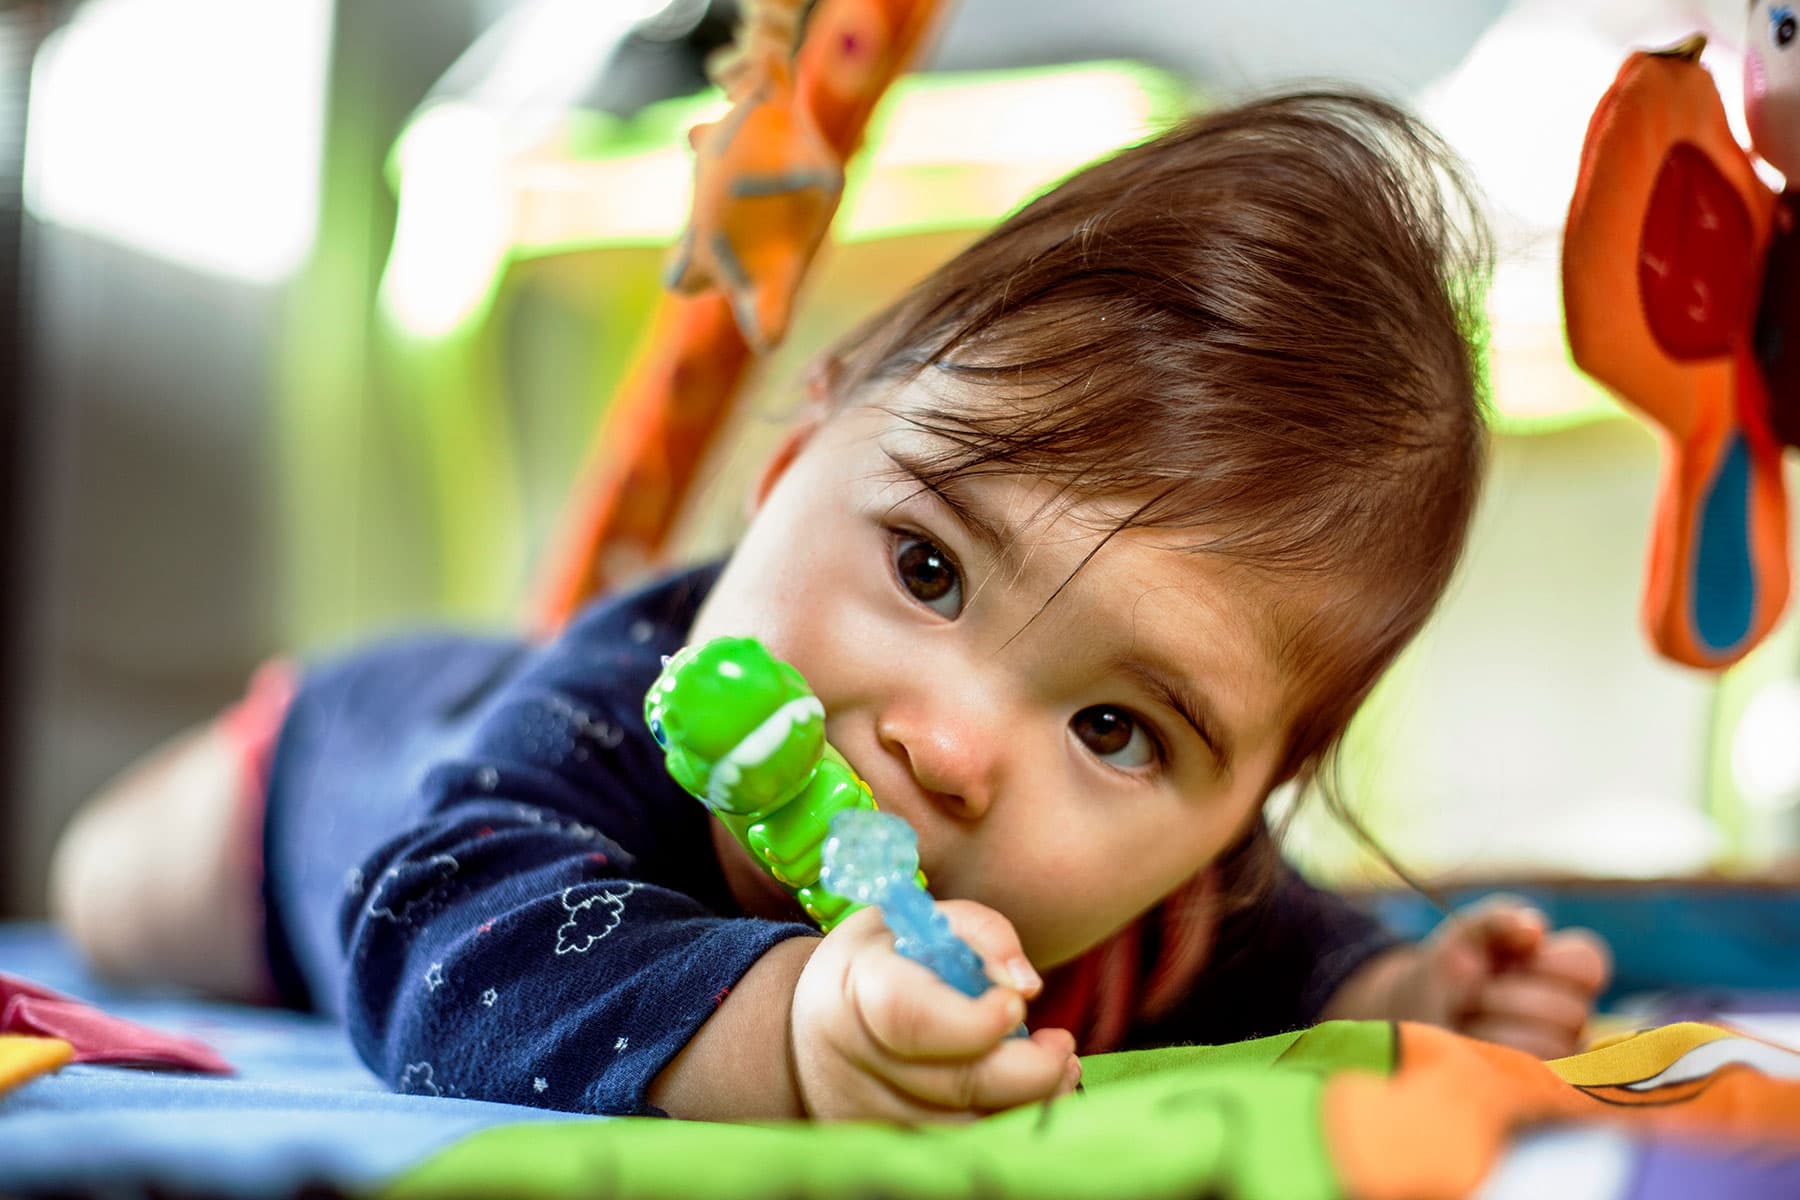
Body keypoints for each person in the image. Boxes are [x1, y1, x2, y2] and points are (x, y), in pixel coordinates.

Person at [50, 90, 1612, 1123]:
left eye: (1118, 729)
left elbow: (1270, 952)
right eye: (927, 569)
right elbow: (444, 948)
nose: (944, 747)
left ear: (1236, 818)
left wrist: (1397, 988)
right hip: (326, 776)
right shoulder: (606, 723)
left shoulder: (1192, 894)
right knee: (111, 892)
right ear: (792, 457)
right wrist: (788, 1026)